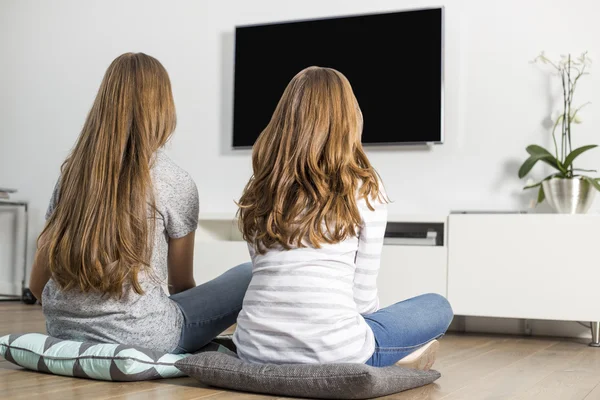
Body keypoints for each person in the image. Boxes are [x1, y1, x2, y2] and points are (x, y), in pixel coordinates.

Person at [29, 53, 251, 354]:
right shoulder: (174, 180)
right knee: (249, 273)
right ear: (163, 108)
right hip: (144, 337)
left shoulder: (72, 174)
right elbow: (181, 285)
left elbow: (36, 286)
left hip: (63, 328)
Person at [233, 66, 453, 368]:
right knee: (437, 306)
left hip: (253, 349)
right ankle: (392, 356)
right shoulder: (364, 188)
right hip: (336, 353)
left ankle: (388, 351)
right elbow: (362, 300)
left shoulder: (262, 189)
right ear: (349, 119)